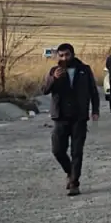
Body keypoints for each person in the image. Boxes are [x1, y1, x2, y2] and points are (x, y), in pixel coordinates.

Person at [40, 43, 100, 196]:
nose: (64, 58)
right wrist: (53, 78)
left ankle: (74, 183)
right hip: (60, 117)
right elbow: (45, 90)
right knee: (57, 150)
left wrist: (95, 111)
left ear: (72, 54)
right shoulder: (54, 71)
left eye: (67, 55)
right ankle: (70, 172)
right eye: (61, 55)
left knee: (76, 151)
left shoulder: (84, 70)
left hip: (79, 117)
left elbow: (93, 91)